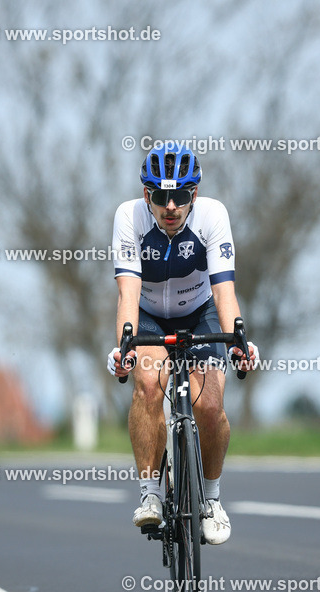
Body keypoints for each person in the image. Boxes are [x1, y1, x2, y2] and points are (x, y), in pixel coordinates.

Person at [107, 142, 258, 545]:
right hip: (149, 315)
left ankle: (211, 499)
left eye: (180, 197)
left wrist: (239, 340)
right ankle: (151, 495)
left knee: (209, 404)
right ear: (146, 196)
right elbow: (128, 294)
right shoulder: (129, 217)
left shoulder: (212, 215)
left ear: (194, 195)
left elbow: (224, 291)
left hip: (200, 311)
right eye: (160, 197)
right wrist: (126, 348)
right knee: (147, 383)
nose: (170, 206)